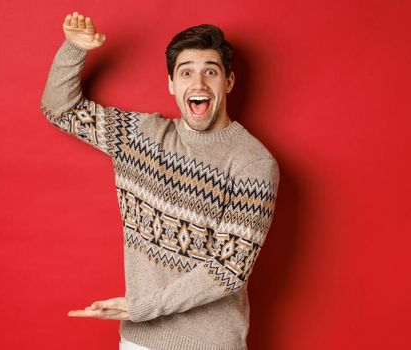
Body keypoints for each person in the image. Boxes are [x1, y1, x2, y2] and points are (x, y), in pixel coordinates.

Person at [41, 11, 280, 350]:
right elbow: (59, 109)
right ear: (171, 84)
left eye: (210, 72)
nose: (198, 84)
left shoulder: (253, 162)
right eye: (186, 73)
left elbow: (228, 270)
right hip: (139, 342)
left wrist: (143, 308)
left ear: (228, 82)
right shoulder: (140, 138)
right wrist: (73, 49)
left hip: (209, 345)